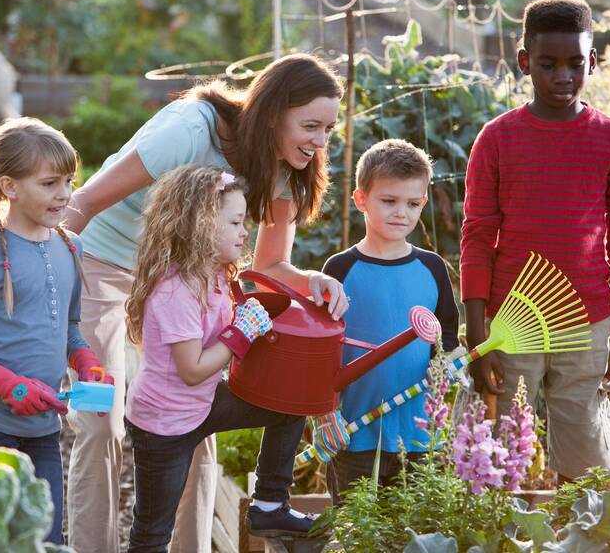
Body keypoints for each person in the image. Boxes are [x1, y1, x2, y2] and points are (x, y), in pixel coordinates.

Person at [62, 53, 349, 553]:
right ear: (273, 111)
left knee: (192, 421)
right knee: (100, 423)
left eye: (329, 128)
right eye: (311, 126)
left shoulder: (287, 164)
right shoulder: (190, 130)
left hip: (189, 283)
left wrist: (312, 281)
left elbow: (271, 267)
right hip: (104, 268)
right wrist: (31, 280)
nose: (321, 142)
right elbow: (83, 203)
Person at [461, 0, 610, 483]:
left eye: (575, 64)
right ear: (525, 62)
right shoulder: (497, 140)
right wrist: (477, 333)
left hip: (586, 323)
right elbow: (477, 238)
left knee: (587, 468)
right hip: (509, 323)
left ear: (592, 61)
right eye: (548, 64)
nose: (563, 75)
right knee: (497, 462)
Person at [0, 117, 112, 545]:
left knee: (44, 537)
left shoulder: (71, 247)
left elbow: (67, 326)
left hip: (44, 430)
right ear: (10, 187)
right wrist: (7, 385)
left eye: (69, 180)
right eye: (50, 183)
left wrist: (85, 361)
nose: (65, 194)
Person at [124, 165, 315, 552]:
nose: (246, 232)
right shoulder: (176, 291)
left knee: (291, 405)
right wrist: (241, 333)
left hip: (204, 404)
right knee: (153, 531)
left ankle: (268, 504)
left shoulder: (215, 276)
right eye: (235, 222)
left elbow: (230, 336)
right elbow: (192, 370)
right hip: (164, 424)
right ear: (202, 226)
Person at [319, 139, 459, 504]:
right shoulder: (339, 270)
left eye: (412, 204)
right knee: (356, 535)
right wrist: (324, 416)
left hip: (421, 438)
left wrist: (445, 366)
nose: (402, 213)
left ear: (423, 203)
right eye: (389, 201)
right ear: (361, 199)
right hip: (355, 436)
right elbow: (320, 355)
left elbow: (448, 345)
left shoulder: (432, 269)